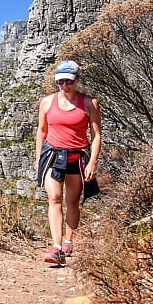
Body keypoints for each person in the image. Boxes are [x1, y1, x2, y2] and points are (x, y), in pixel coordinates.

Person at [35, 59, 101, 265]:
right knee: (54, 198)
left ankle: (68, 241)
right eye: (60, 81)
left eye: (68, 81)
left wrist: (93, 162)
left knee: (72, 201)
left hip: (76, 156)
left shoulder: (90, 103)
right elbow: (42, 131)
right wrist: (38, 158)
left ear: (77, 80)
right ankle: (55, 247)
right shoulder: (46, 102)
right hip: (53, 157)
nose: (64, 85)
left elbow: (97, 134)